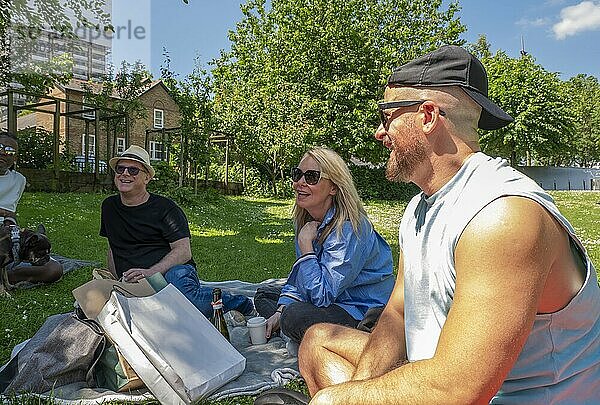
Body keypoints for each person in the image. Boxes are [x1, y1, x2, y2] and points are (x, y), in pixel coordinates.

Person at [296, 46, 600, 404]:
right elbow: (397, 311)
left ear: (427, 116)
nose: (380, 132)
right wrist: (354, 392)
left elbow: (460, 390)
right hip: (444, 373)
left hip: (489, 394)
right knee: (316, 341)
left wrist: (333, 401)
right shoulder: (417, 209)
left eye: (386, 114)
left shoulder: (502, 215)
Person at [254, 147, 395, 345]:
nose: (300, 183)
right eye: (297, 174)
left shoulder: (348, 229)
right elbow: (299, 279)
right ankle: (295, 331)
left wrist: (306, 247)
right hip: (329, 298)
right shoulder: (306, 221)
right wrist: (280, 310)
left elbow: (322, 296)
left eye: (312, 177)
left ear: (334, 187)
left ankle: (347, 336)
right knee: (264, 296)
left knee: (294, 317)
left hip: (360, 308)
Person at [99, 145, 254, 319]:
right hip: (136, 281)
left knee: (187, 303)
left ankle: (242, 303)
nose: (125, 173)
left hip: (172, 271)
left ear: (147, 178)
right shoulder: (109, 207)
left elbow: (184, 252)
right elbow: (113, 247)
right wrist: (114, 280)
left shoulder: (166, 209)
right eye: (120, 168)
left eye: (133, 170)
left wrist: (151, 273)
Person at [0, 130, 63, 285]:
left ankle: (7, 275)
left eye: (10, 151)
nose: (3, 153)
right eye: (0, 147)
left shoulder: (18, 180)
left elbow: (11, 211)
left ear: (15, 157)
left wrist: (10, 223)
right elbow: (8, 211)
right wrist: (6, 213)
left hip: (5, 237)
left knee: (53, 269)